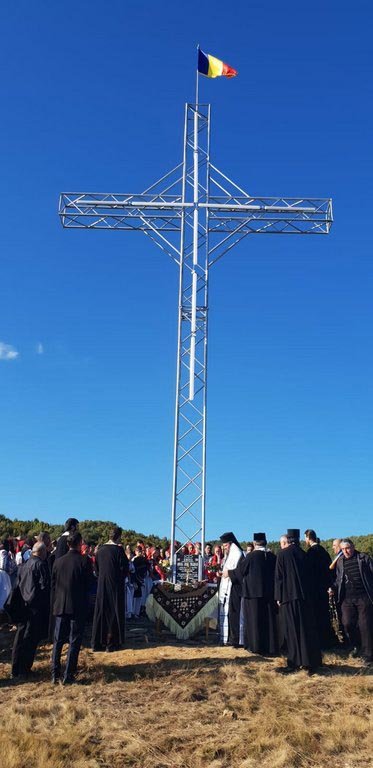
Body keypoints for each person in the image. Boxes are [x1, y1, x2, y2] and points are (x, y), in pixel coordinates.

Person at [274, 528, 322, 675]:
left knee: (292, 631)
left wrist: (278, 597)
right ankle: (310, 662)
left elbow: (279, 578)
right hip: (304, 598)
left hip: (288, 598)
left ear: (288, 540)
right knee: (306, 630)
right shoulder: (304, 554)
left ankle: (294, 662)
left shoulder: (282, 554)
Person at [51, 531, 92, 684]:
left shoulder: (58, 562)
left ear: (68, 544)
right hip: (77, 606)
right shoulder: (84, 561)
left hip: (60, 605)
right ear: (80, 543)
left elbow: (53, 584)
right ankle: (68, 674)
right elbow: (89, 584)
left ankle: (54, 673)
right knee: (74, 641)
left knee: (58, 641)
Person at [10, 542, 51, 680]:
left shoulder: (24, 565)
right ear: (42, 552)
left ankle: (15, 668)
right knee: (30, 638)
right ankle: (24, 668)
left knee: (20, 637)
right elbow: (45, 587)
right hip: (34, 607)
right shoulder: (40, 565)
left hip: (23, 604)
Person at [237, 532, 278, 656]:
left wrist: (229, 573)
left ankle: (255, 646)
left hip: (253, 594)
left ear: (255, 543)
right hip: (269, 594)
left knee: (254, 621)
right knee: (269, 622)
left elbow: (241, 571)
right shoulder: (272, 556)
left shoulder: (251, 556)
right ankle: (270, 647)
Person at [334, 538, 373, 664]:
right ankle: (356, 646)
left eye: (348, 548)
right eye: (343, 549)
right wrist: (332, 588)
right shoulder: (340, 561)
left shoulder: (364, 558)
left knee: (365, 625)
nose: (346, 551)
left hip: (363, 596)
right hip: (347, 598)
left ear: (353, 547)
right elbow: (338, 579)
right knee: (347, 623)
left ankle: (368, 655)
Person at [91, 526, 129, 652]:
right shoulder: (118, 550)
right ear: (119, 537)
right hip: (115, 586)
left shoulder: (100, 550)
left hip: (102, 585)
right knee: (114, 613)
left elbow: (96, 569)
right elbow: (125, 568)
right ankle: (112, 642)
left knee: (101, 612)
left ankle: (97, 642)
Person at [304, 529, 335, 649]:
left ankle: (321, 641)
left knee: (317, 615)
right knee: (325, 614)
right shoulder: (323, 551)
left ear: (308, 538)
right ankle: (328, 640)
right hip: (324, 587)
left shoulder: (311, 552)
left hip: (314, 589)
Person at [220, 531, 244, 647]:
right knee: (230, 613)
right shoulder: (230, 554)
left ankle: (236, 639)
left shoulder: (237, 553)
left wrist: (228, 573)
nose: (224, 548)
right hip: (231, 588)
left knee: (235, 614)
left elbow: (239, 572)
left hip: (236, 588)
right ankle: (230, 637)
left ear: (231, 544)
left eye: (225, 545)